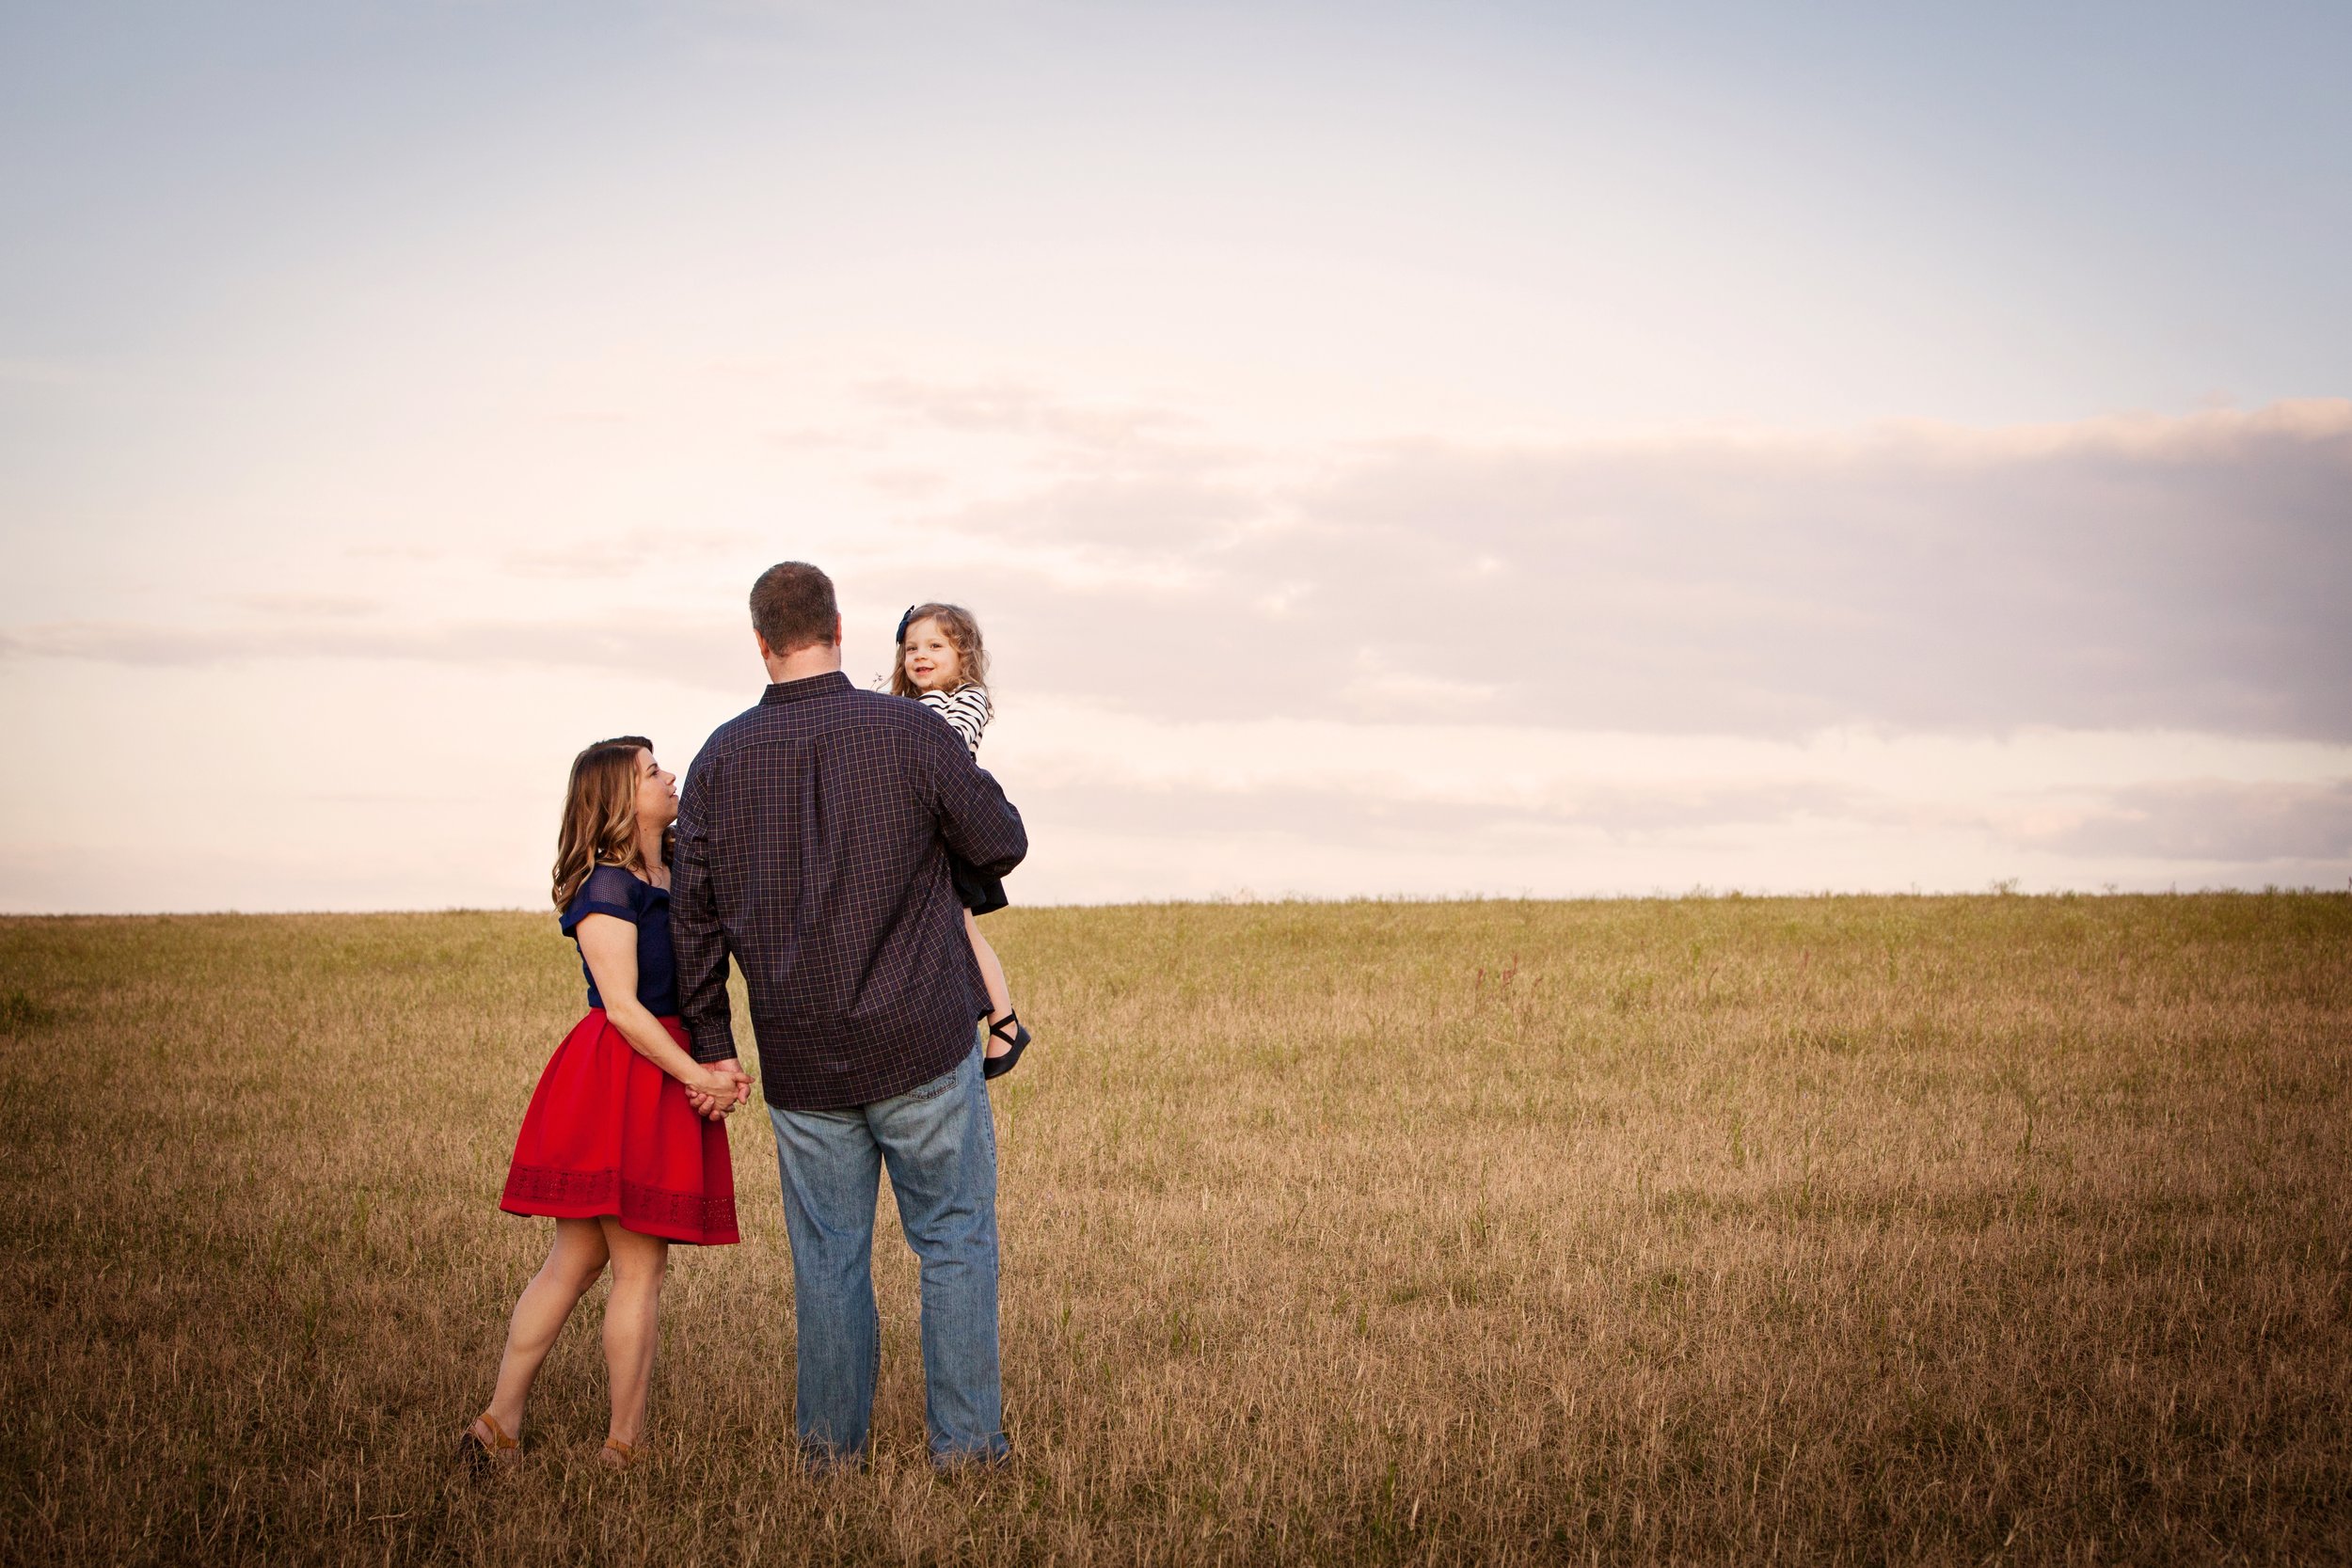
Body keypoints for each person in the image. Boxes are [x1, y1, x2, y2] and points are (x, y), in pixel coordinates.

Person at [670, 562, 1028, 1472]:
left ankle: (829, 1459)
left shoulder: (717, 760)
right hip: (919, 1035)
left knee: (828, 1262)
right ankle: (966, 1451)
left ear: (760, 641)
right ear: (837, 623)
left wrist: (712, 1045)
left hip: (800, 1056)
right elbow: (1001, 841)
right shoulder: (909, 730)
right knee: (953, 1240)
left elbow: (694, 923)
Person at [460, 737, 750, 1473]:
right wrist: (699, 1074)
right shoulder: (607, 886)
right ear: (622, 799)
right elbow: (622, 1008)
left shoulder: (679, 868)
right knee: (631, 1266)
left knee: (583, 1258)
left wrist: (717, 1061)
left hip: (665, 1068)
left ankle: (498, 1423)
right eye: (653, 771)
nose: (670, 775)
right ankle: (618, 1446)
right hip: (623, 1076)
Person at [891, 601, 1030, 1079]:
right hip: (919, 834)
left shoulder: (966, 698)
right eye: (911, 648)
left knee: (965, 931)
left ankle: (1005, 1021)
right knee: (950, 932)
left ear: (963, 655)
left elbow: (946, 742)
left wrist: (910, 710)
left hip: (948, 837)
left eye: (935, 646)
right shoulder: (905, 705)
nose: (920, 656)